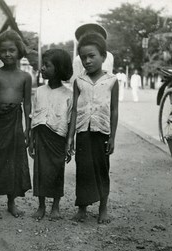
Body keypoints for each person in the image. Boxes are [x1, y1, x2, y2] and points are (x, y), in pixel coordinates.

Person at [67, 32, 119, 224]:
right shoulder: (79, 81)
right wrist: (70, 137)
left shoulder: (112, 81)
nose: (87, 61)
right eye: (83, 57)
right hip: (82, 132)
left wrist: (113, 137)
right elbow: (73, 110)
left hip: (102, 132)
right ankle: (82, 208)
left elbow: (114, 110)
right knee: (83, 170)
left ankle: (103, 207)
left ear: (103, 57)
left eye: (92, 56)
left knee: (102, 169)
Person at [0, 30, 32, 219]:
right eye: (3, 51)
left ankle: (11, 202)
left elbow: (28, 103)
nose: (7, 54)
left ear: (19, 51)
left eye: (11, 50)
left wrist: (28, 128)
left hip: (15, 122)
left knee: (15, 161)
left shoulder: (25, 77)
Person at [29, 49, 73, 220]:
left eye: (47, 65)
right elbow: (34, 117)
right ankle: (41, 206)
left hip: (58, 138)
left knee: (56, 172)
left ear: (59, 68)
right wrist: (32, 140)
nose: (42, 68)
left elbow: (70, 121)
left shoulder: (68, 94)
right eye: (43, 65)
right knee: (40, 171)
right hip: (41, 136)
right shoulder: (39, 91)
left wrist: (70, 143)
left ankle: (55, 206)